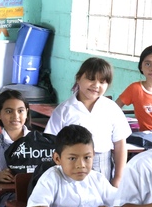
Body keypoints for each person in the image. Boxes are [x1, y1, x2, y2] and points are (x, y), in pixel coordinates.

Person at [46, 57, 131, 187]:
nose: (96, 85)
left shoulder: (112, 108)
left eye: (102, 82)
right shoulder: (64, 110)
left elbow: (120, 144)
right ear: (78, 78)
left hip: (103, 164)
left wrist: (118, 177)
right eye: (91, 79)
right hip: (72, 164)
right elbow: (51, 142)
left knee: (101, 202)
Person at [116, 44, 152, 134]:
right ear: (141, 67)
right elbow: (114, 108)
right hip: (146, 140)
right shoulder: (135, 89)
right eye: (147, 64)